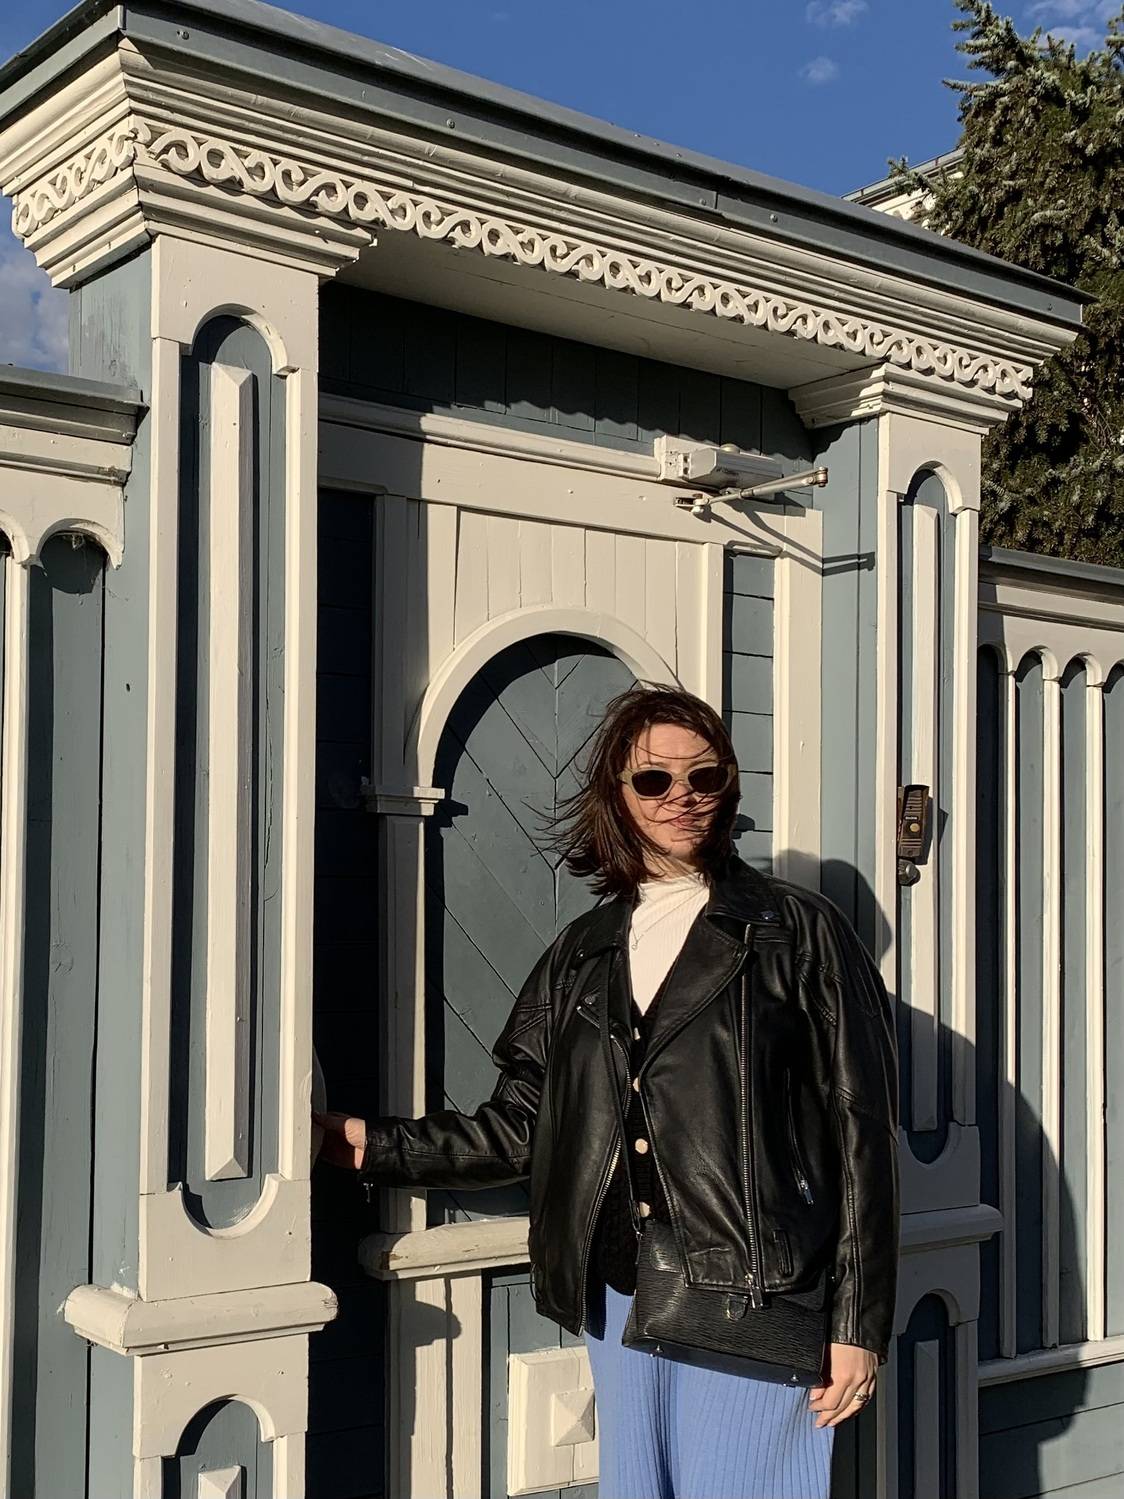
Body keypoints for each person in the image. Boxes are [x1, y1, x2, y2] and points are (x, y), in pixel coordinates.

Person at [317, 683, 900, 1499]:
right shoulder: (582, 952)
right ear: (617, 795)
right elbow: (524, 1123)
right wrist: (373, 1146)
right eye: (654, 779)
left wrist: (857, 1323)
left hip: (755, 1295)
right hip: (617, 1295)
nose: (682, 797)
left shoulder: (798, 931)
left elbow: (859, 1132)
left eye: (704, 776)